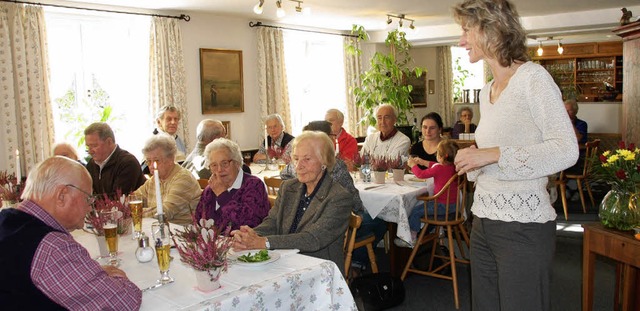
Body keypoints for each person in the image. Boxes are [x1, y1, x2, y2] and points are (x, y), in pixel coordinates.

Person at [451, 1, 579, 310]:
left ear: (491, 29)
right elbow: (496, 156)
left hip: (523, 226)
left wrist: (493, 154)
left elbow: (566, 149)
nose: (461, 40)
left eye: (467, 30)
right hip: (483, 219)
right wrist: (475, 157)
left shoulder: (533, 79)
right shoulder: (487, 90)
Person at [0, 156, 141, 310]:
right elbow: (124, 302)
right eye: (88, 199)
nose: (90, 208)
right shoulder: (52, 247)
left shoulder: (6, 219)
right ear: (62, 196)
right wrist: (116, 277)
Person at [232, 131, 353, 274]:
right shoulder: (289, 187)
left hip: (319, 269)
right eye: (295, 159)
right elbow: (273, 222)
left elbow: (313, 238)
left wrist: (264, 242)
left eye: (307, 159)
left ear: (324, 162)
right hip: (283, 262)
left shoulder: (338, 197)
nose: (299, 166)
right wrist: (250, 236)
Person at [194, 138, 270, 230]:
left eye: (224, 163)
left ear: (237, 163)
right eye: (214, 165)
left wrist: (222, 194)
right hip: (214, 243)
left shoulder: (254, 185)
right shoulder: (210, 189)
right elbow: (198, 220)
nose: (219, 170)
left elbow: (249, 223)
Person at [134, 134, 201, 226]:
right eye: (148, 161)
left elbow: (165, 212)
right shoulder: (154, 179)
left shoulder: (183, 179)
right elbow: (134, 199)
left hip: (181, 234)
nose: (151, 166)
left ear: (171, 159)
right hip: (158, 229)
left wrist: (135, 212)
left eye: (156, 161)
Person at [402, 140, 460, 247]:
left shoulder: (439, 168)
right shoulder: (454, 167)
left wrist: (413, 165)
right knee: (421, 208)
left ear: (443, 156)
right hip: (454, 207)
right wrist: (423, 162)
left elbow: (420, 174)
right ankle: (431, 234)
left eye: (437, 153)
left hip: (442, 206)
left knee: (415, 211)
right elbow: (436, 165)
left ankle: (412, 237)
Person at [84, 122, 145, 197]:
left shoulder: (128, 163)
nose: (90, 151)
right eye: (88, 147)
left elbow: (117, 198)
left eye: (94, 146)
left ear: (109, 142)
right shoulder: (91, 165)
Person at [182, 119, 251, 179]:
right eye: (224, 136)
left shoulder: (187, 161)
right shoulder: (212, 162)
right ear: (216, 139)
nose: (225, 139)